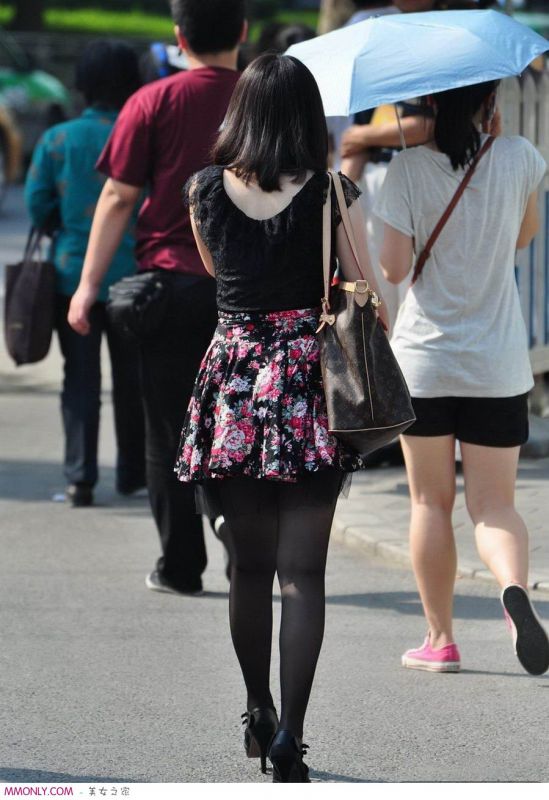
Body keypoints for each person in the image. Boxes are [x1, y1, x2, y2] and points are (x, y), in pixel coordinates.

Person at [175, 53, 388, 781]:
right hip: (308, 385)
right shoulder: (330, 190)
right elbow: (367, 287)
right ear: (305, 118)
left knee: (248, 569)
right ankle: (291, 735)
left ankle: (255, 705)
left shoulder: (203, 190)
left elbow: (217, 273)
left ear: (240, 113)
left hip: (233, 380)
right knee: (303, 574)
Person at [68, 0, 246, 594]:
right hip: (251, 293)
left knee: (167, 429)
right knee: (238, 422)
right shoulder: (264, 99)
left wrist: (89, 286)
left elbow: (119, 196)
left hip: (168, 289)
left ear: (177, 37)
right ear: (243, 32)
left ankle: (180, 566)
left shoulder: (153, 101)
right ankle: (238, 537)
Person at [375, 80, 549, 676]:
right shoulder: (522, 157)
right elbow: (522, 238)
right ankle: (512, 590)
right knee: (495, 505)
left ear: (431, 102)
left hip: (425, 363)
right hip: (498, 366)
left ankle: (440, 640)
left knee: (429, 501)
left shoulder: (406, 169)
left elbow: (395, 268)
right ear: (490, 102)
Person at [24, 40, 145, 508]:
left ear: (82, 84)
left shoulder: (58, 139)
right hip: (135, 277)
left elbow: (36, 203)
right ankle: (134, 472)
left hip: (72, 276)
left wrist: (67, 227)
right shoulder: (140, 132)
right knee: (132, 379)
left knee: (79, 379)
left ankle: (80, 478)